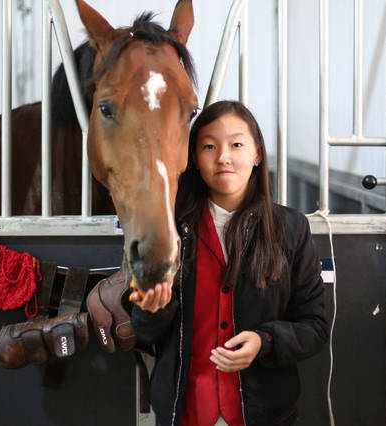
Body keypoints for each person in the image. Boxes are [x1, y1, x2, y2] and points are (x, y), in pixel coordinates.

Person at [129, 100, 331, 426]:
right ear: (194, 158)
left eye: (236, 144)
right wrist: (153, 308)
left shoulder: (291, 229)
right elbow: (143, 330)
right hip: (185, 412)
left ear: (257, 154)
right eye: (209, 146)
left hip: (266, 413)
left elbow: (316, 328)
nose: (223, 156)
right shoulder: (168, 231)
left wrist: (265, 342)